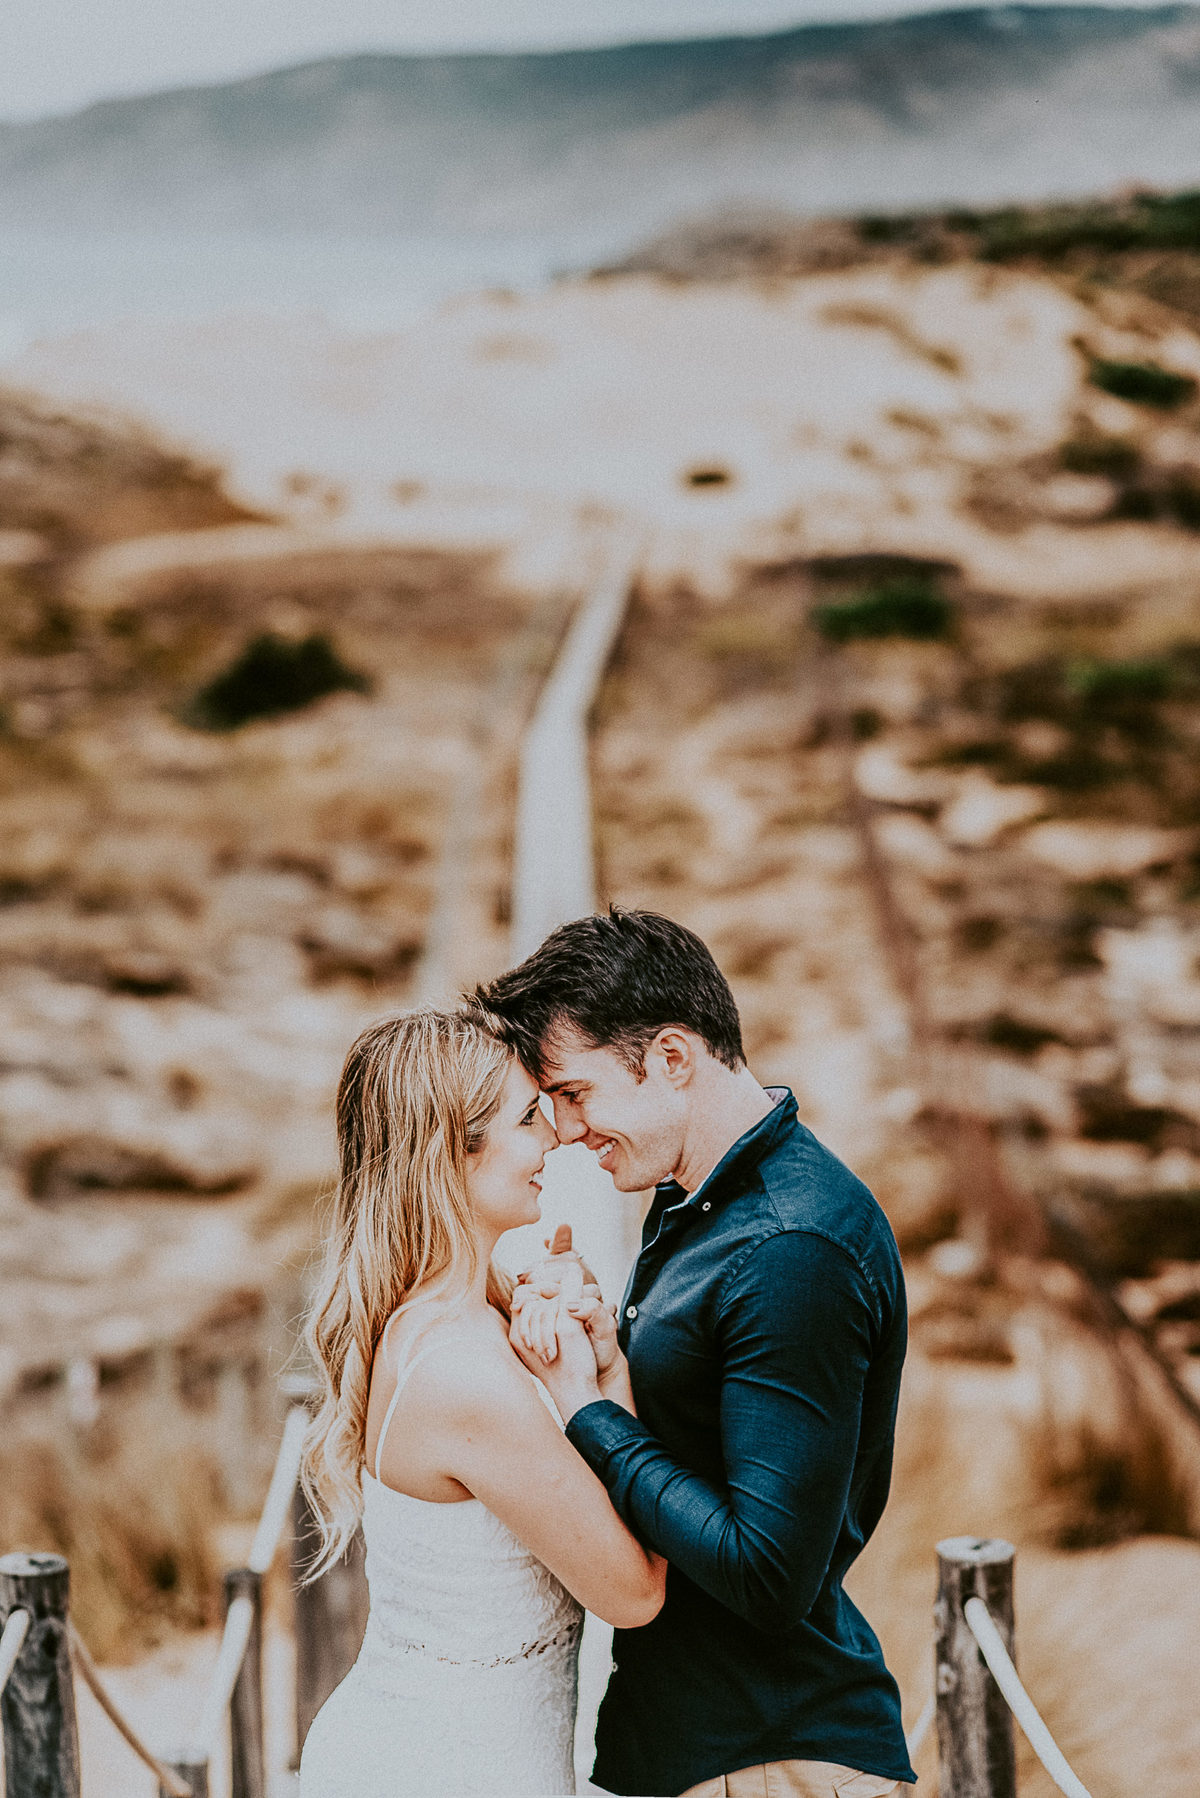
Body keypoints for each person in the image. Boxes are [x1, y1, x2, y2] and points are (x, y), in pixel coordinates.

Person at [476, 907, 917, 1798]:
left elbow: (764, 1573)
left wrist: (587, 1410)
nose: (565, 1131)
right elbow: (707, 1449)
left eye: (573, 1094)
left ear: (672, 1059)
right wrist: (609, 1358)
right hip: (704, 1743)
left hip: (770, 1758)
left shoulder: (791, 1249)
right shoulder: (701, 1199)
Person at [297, 1005, 665, 1798]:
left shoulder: (458, 1317)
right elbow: (634, 1592)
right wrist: (607, 1378)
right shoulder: (464, 1374)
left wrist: (586, 1343)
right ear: (451, 1152)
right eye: (528, 1118)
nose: (555, 1139)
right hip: (446, 1769)